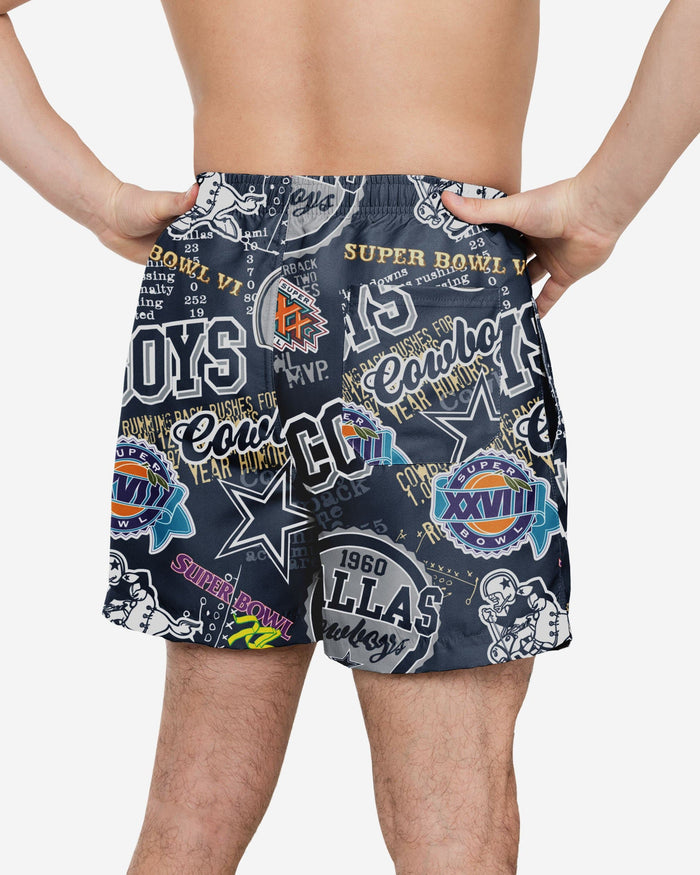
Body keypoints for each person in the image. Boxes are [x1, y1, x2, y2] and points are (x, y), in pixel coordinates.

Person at [1, 1, 697, 873]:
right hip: (431, 284)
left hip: (221, 286)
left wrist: (97, 202)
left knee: (193, 813)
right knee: (448, 829)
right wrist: (603, 203)